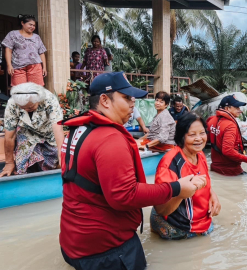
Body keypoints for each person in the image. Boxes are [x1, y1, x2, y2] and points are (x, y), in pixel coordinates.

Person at [59, 72, 206, 270]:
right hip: (106, 250)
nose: (132, 105)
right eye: (127, 98)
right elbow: (124, 195)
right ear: (104, 100)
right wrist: (176, 188)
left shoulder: (78, 129)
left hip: (72, 241)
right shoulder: (110, 138)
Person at [151, 112, 221, 240]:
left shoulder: (200, 154)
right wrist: (182, 192)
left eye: (202, 133)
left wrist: (213, 196)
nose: (199, 138)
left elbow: (205, 182)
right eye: (192, 135)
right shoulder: (170, 164)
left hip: (203, 222)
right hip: (178, 227)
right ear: (181, 137)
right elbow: (161, 209)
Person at [0, 83, 64, 177]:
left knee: (54, 162)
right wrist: (9, 162)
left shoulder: (49, 99)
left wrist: (62, 158)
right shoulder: (12, 103)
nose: (26, 110)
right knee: (23, 163)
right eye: (23, 108)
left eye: (30, 107)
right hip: (26, 133)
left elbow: (58, 129)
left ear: (38, 100)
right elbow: (10, 135)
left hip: (48, 133)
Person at [207, 95, 247, 176]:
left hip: (215, 168)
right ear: (227, 108)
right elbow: (228, 150)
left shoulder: (211, 120)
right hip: (231, 171)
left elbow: (205, 141)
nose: (240, 110)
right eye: (236, 107)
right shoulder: (230, 125)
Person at [1, 14, 47, 86]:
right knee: (20, 90)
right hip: (18, 67)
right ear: (22, 23)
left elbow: (41, 52)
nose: (32, 27)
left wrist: (44, 67)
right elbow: (8, 50)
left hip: (35, 67)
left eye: (34, 25)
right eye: (30, 24)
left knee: (36, 90)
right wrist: (9, 65)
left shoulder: (36, 37)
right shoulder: (13, 34)